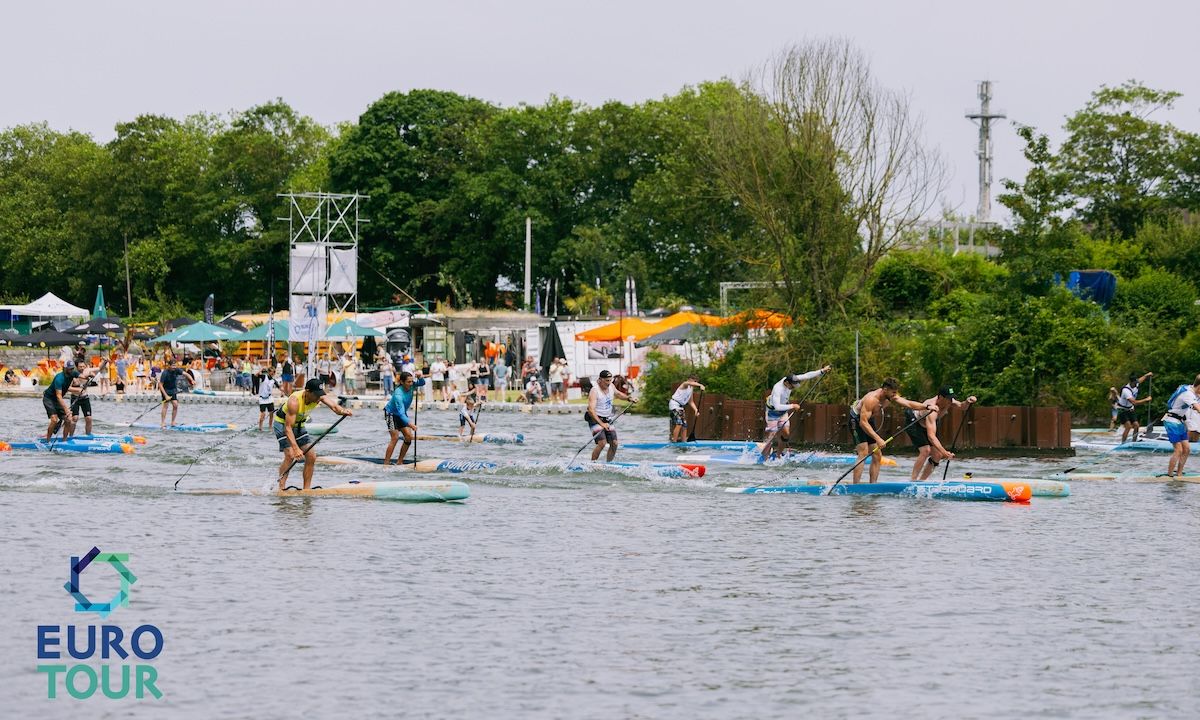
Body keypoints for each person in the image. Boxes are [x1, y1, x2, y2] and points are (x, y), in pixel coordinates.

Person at [849, 378, 938, 484]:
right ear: (885, 389)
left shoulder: (890, 397)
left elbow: (909, 404)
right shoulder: (871, 399)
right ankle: (855, 485)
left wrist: (927, 406)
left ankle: (873, 485)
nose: (895, 395)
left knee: (877, 455)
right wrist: (878, 439)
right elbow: (863, 423)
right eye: (893, 392)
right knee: (863, 452)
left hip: (868, 420)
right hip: (856, 420)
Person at [274, 378, 353, 490]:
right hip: (282, 425)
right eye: (315, 395)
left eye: (319, 395)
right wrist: (296, 449)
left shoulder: (319, 396)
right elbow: (288, 428)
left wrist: (343, 411)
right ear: (307, 391)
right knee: (290, 455)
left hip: (299, 425)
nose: (318, 398)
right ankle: (281, 488)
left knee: (311, 456)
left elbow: (335, 407)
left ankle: (306, 489)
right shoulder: (294, 402)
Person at [907, 386, 978, 481]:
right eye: (948, 398)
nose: (950, 400)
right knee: (925, 450)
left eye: (951, 397)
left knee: (937, 455)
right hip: (914, 422)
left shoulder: (950, 401)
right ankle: (912, 480)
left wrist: (968, 401)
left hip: (926, 425)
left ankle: (921, 481)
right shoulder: (931, 408)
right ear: (940, 397)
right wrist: (945, 452)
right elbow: (931, 437)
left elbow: (962, 406)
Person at [761, 365, 831, 460]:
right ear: (786, 383)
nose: (793, 388)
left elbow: (807, 375)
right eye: (792, 386)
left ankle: (778, 455)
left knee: (786, 434)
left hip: (783, 412)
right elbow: (777, 406)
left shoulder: (792, 379)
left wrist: (822, 371)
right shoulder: (778, 389)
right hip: (772, 412)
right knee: (771, 435)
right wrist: (792, 406)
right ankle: (765, 457)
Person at [586, 369, 636, 462]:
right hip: (595, 419)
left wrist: (629, 398)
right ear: (600, 380)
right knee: (602, 443)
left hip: (607, 419)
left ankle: (609, 464)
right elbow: (591, 410)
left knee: (615, 443)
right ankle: (592, 463)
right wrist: (602, 424)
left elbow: (618, 394)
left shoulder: (611, 386)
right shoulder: (595, 391)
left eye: (610, 380)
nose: (609, 383)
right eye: (606, 381)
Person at [383, 370, 426, 465]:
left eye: (412, 381)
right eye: (408, 382)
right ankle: (386, 464)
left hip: (401, 414)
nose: (411, 384)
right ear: (402, 382)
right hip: (391, 414)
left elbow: (422, 383)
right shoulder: (398, 395)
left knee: (408, 437)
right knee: (395, 438)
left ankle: (399, 461)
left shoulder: (412, 385)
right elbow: (401, 413)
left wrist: (420, 377)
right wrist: (410, 424)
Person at [1164, 375, 1200, 478]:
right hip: (1171, 421)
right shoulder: (1188, 394)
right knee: (1178, 450)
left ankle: (1179, 474)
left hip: (1179, 422)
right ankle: (1169, 475)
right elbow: (1198, 409)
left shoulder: (1190, 388)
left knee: (1187, 449)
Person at [42, 360, 80, 441]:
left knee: (68, 419)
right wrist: (66, 409)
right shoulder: (59, 378)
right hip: (49, 399)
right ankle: (48, 440)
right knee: (54, 420)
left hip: (57, 401)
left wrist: (89, 377)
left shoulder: (73, 373)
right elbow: (59, 396)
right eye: (69, 368)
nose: (71, 370)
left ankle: (64, 441)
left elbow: (82, 375)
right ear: (64, 368)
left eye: (72, 368)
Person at [1116, 372, 1153, 443]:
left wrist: (1147, 375)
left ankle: (1134, 442)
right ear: (1131, 382)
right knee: (1128, 426)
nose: (1137, 384)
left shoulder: (1135, 383)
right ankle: (1123, 443)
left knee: (1136, 425)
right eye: (1135, 382)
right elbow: (1134, 402)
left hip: (1130, 409)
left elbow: (1140, 380)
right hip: (1122, 410)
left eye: (1137, 382)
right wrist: (1146, 399)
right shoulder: (1126, 390)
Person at [668, 374, 706, 443]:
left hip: (681, 407)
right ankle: (674, 442)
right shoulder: (685, 384)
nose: (695, 383)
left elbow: (691, 402)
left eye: (697, 381)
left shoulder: (691, 389)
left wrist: (696, 410)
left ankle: (683, 442)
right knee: (679, 424)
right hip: (674, 405)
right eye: (695, 381)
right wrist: (700, 385)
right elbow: (690, 383)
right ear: (690, 379)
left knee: (684, 425)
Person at [156, 358, 193, 428]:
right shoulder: (165, 373)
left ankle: (173, 422)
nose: (174, 367)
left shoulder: (177, 370)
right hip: (165, 390)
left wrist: (192, 380)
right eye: (173, 366)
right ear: (169, 366)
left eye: (175, 366)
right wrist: (166, 395)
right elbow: (160, 385)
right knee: (165, 406)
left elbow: (186, 374)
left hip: (173, 390)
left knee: (175, 405)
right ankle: (163, 422)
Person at [66, 365, 100, 437]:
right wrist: (77, 390)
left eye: (83, 366)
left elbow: (100, 368)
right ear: (76, 367)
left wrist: (105, 362)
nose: (82, 368)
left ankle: (88, 436)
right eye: (80, 366)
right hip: (75, 398)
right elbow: (67, 388)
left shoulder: (87, 374)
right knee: (75, 418)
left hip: (85, 398)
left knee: (89, 418)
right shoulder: (73, 376)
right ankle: (70, 436)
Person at [257, 366, 278, 432]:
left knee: (271, 414)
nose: (273, 373)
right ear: (269, 372)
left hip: (269, 398)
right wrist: (261, 369)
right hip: (262, 399)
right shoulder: (264, 377)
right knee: (263, 414)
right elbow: (256, 375)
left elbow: (280, 387)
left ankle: (270, 427)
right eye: (272, 372)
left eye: (274, 372)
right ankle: (260, 427)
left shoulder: (273, 380)